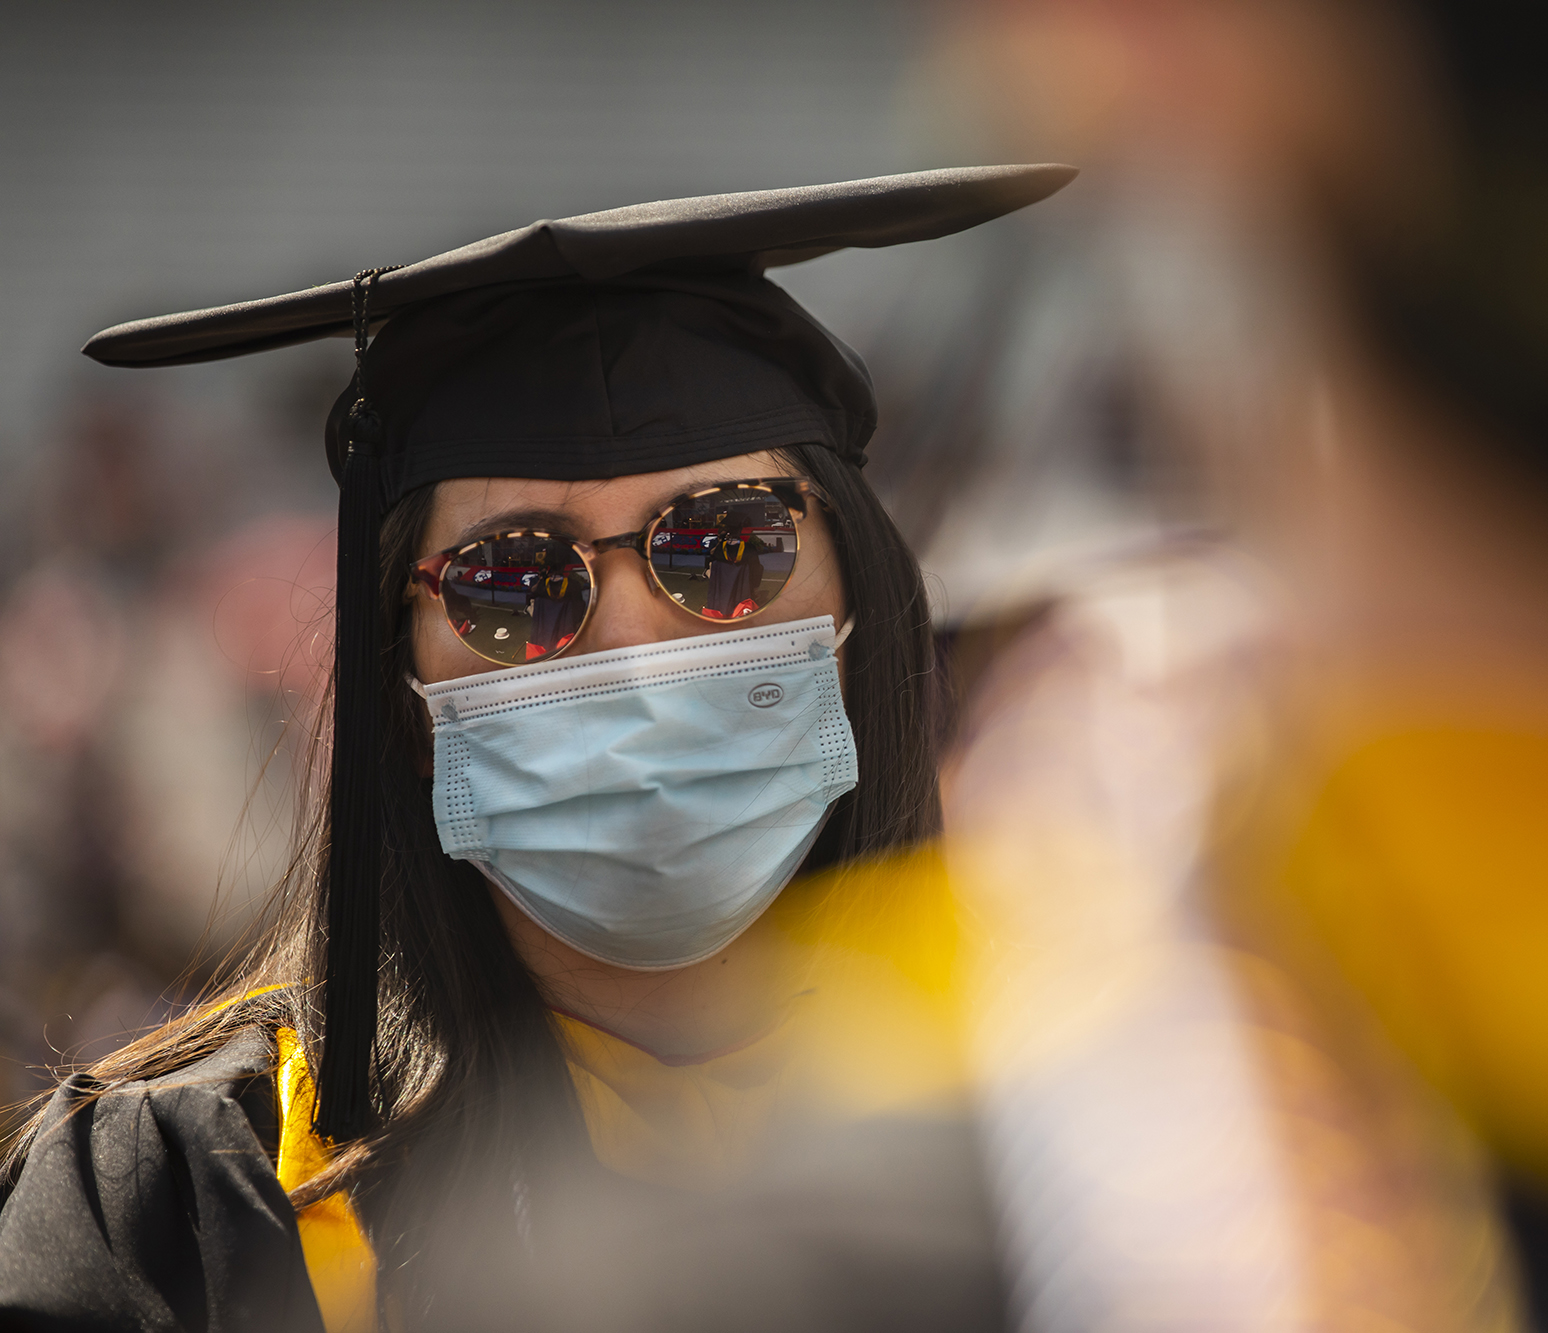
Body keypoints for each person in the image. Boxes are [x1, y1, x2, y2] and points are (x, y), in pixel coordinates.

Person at [0, 165, 1073, 1332]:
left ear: (858, 614)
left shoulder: (1117, 1117)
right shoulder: (177, 1196)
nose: (629, 644)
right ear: (402, 697)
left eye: (726, 547)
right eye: (513, 583)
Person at [702, 507, 768, 619]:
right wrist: (755, 587)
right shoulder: (748, 549)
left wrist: (721, 541)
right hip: (742, 592)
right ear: (740, 530)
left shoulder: (719, 549)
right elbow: (757, 569)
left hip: (721, 593)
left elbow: (710, 563)